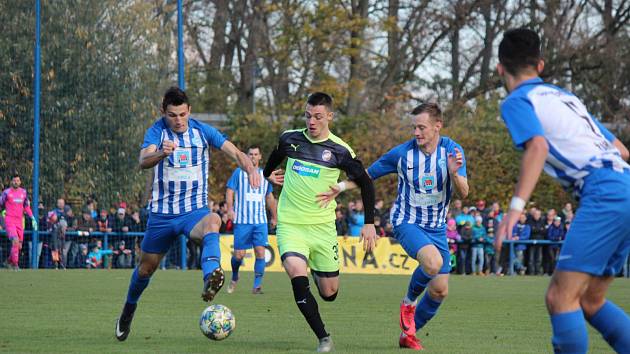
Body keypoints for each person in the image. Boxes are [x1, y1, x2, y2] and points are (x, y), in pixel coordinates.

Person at [494, 28, 630, 353]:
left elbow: (537, 147)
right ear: (540, 66)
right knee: (591, 299)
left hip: (604, 192)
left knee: (560, 297)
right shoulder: (567, 98)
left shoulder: (517, 100)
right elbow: (622, 149)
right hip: (624, 183)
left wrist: (515, 208)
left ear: (501, 68)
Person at [319, 102, 468, 350]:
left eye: (422, 128)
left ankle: (408, 335)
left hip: (437, 227)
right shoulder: (402, 154)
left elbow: (464, 193)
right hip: (406, 221)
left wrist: (454, 173)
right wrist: (342, 187)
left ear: (437, 126)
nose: (416, 133)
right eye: (414, 128)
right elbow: (367, 176)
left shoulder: (452, 151)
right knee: (432, 263)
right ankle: (408, 302)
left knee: (440, 290)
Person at [115, 86, 260, 341]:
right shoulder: (156, 131)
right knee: (146, 269)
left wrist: (250, 169)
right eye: (173, 115)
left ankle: (211, 275)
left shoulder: (202, 131)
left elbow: (235, 152)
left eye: (182, 114)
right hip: (162, 215)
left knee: (214, 220)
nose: (178, 120)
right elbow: (143, 161)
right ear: (164, 112)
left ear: (189, 111)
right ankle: (128, 309)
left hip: (194, 212)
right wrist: (163, 152)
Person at [263, 92, 377, 352]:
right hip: (291, 224)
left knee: (329, 293)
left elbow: (366, 183)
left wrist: (369, 222)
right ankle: (324, 337)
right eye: (307, 115)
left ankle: (316, 269)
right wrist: (269, 175)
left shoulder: (340, 150)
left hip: (323, 228)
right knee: (295, 272)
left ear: (329, 117)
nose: (311, 121)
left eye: (317, 116)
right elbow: (270, 163)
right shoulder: (289, 139)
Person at [225, 145, 277, 295]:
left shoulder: (265, 175)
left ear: (260, 157)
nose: (253, 157)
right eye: (250, 154)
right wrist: (229, 209)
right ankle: (235, 276)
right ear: (246, 157)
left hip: (259, 221)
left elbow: (269, 197)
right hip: (242, 221)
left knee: (260, 252)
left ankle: (257, 286)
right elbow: (229, 191)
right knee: (238, 255)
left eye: (256, 154)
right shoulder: (238, 173)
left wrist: (274, 216)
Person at [0, 174, 37, 270]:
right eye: (14, 180)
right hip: (9, 220)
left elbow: (26, 206)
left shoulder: (23, 192)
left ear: (20, 182)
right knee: (15, 241)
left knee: (18, 246)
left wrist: (32, 218)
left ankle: (8, 262)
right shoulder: (6, 193)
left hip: (19, 221)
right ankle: (15, 265)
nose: (16, 182)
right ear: (11, 182)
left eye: (18, 180)